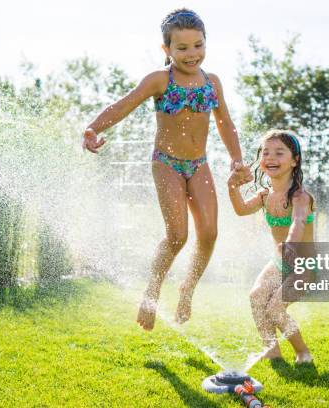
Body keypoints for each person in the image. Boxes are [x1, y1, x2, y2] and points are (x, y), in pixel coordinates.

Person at [82, 8, 251, 330]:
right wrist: (92, 128)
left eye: (198, 45)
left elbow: (224, 122)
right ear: (167, 50)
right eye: (182, 48)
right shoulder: (160, 80)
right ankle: (152, 292)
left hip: (198, 164)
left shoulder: (212, 82)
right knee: (178, 235)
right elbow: (123, 105)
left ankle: (187, 288)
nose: (192, 54)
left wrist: (236, 159)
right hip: (166, 163)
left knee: (210, 233)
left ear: (206, 43)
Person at [227, 130, 314, 363]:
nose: (270, 157)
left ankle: (303, 352)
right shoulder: (265, 195)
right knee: (256, 297)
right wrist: (232, 188)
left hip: (303, 264)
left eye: (279, 152)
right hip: (280, 261)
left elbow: (297, 223)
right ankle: (272, 350)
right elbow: (241, 209)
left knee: (275, 309)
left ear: (295, 160)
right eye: (265, 152)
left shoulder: (299, 196)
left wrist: (290, 245)